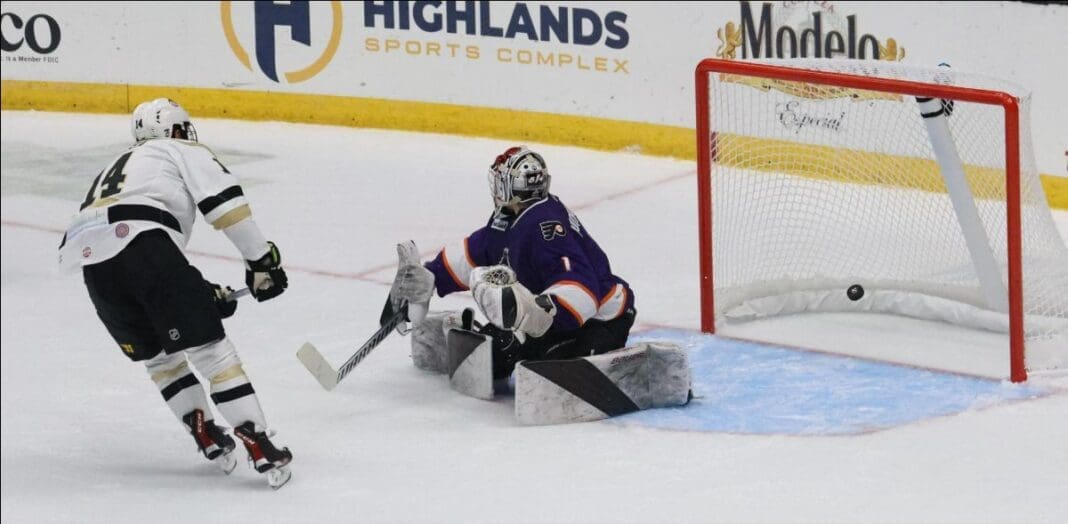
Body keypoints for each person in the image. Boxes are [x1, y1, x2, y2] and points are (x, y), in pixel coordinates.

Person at [58, 98, 293, 489]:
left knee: (160, 358)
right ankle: (258, 441)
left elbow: (137, 260)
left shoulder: (116, 168)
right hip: (144, 246)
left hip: (92, 262)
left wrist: (199, 294)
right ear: (177, 130)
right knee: (210, 349)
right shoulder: (176, 148)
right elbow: (225, 206)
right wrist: (261, 263)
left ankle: (203, 431)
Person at [391, 146, 636, 380]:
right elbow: (472, 255)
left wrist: (534, 313)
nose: (495, 188)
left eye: (500, 181)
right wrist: (429, 277)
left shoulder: (546, 226)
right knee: (498, 348)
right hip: (555, 319)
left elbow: (582, 291)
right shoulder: (508, 219)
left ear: (512, 186)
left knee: (531, 357)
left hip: (600, 321)